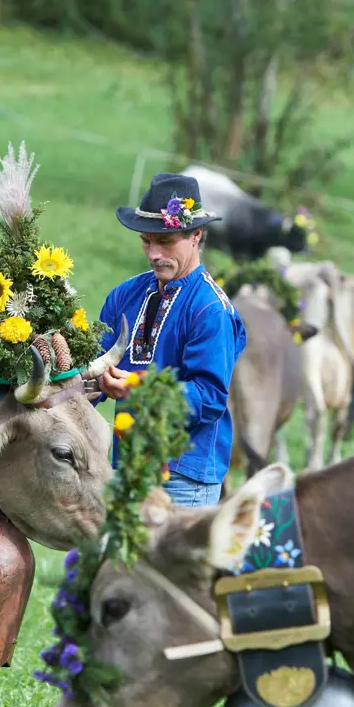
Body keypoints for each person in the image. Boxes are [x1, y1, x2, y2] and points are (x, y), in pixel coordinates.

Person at [95, 172, 247, 507]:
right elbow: (91, 366)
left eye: (165, 242)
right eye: (147, 241)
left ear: (196, 235)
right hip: (126, 465)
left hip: (182, 477)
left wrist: (138, 386)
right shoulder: (125, 295)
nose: (153, 254)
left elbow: (209, 398)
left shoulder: (211, 309)